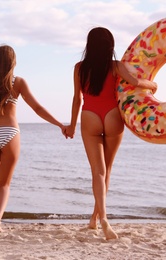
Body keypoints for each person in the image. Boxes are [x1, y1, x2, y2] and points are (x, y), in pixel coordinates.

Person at [0, 45, 66, 232]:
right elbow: (38, 108)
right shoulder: (18, 82)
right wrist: (60, 124)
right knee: (5, 182)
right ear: (13, 62)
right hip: (9, 133)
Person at [65, 27, 157, 240]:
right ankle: (97, 218)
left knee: (97, 171)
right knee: (107, 169)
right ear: (110, 46)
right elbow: (135, 82)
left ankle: (99, 217)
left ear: (89, 45)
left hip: (90, 117)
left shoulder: (79, 68)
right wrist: (153, 85)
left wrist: (71, 125)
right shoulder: (115, 66)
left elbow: (77, 99)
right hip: (112, 116)